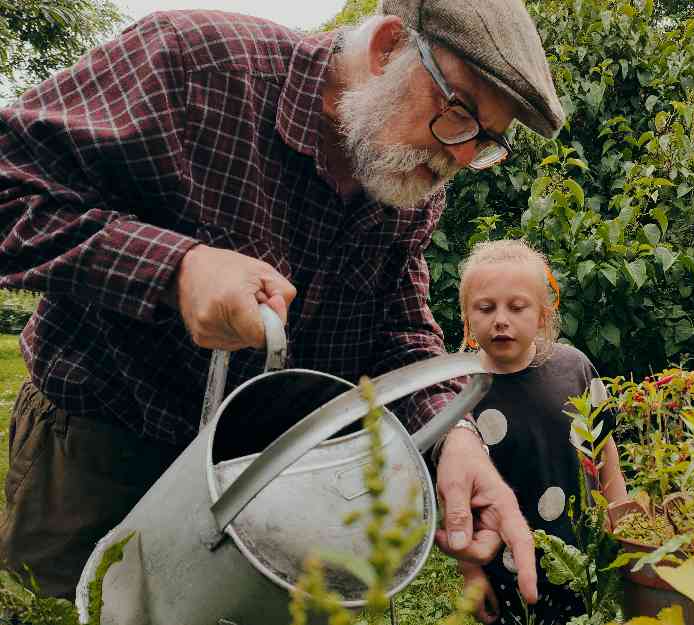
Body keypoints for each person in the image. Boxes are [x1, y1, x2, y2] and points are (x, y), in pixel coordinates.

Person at [0, 0, 566, 599]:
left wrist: (454, 435)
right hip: (101, 446)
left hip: (263, 476)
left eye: (485, 141)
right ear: (388, 49)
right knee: (72, 605)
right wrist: (176, 268)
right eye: (458, 114)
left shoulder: (410, 178)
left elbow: (395, 329)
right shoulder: (196, 65)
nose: (460, 157)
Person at [451, 240, 628, 625]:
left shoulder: (573, 368)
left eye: (517, 307)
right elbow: (457, 500)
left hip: (583, 558)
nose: (501, 319)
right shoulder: (457, 391)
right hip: (504, 572)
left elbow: (605, 449)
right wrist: (471, 573)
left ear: (543, 317)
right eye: (486, 308)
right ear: (466, 317)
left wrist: (621, 516)